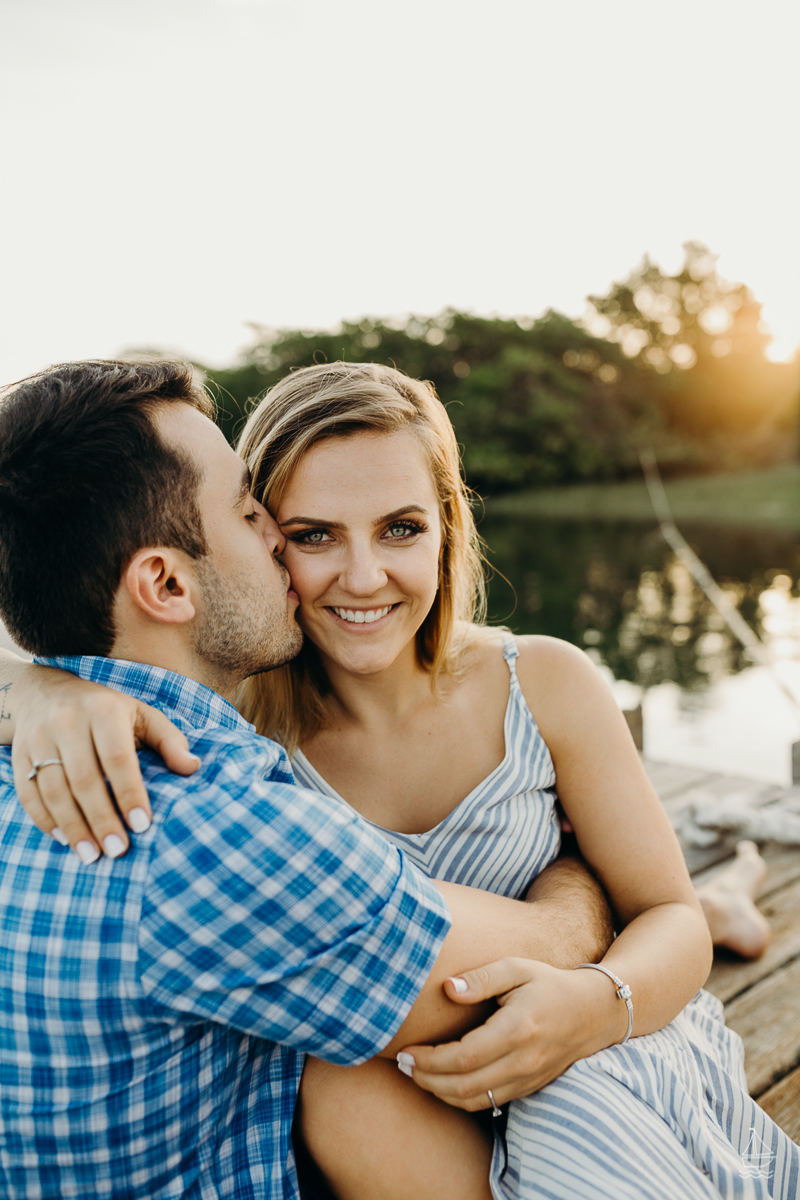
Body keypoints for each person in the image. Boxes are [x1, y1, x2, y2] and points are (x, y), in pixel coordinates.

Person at [2, 361, 795, 1199]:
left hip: (588, 1025)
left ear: (448, 526)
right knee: (338, 1082)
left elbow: (661, 913)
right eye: (306, 535)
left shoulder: (543, 682)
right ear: (266, 540)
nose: (363, 576)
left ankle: (730, 895)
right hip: (390, 1100)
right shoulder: (238, 751)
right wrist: (42, 686)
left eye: (402, 529)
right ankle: (731, 893)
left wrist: (599, 1004)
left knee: (661, 967)